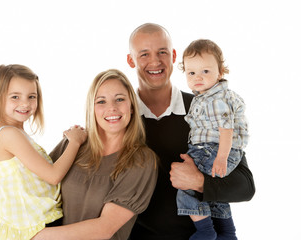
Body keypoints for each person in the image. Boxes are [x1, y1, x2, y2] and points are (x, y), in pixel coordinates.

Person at [126, 23, 255, 240]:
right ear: (131, 60)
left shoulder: (202, 110)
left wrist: (200, 182)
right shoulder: (121, 118)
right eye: (144, 54)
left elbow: (245, 186)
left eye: (162, 52)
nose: (155, 61)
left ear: (175, 56)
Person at [32, 69, 158, 240]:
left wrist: (32, 236)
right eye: (101, 101)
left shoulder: (141, 161)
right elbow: (35, 188)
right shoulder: (72, 144)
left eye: (120, 99)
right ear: (92, 108)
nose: (112, 108)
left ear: (132, 107)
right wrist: (15, 222)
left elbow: (103, 229)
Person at [0, 64, 87, 240]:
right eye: (15, 97)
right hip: (36, 226)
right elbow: (53, 176)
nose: (25, 103)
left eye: (31, 96)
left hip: (37, 222)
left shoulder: (17, 133)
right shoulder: (9, 134)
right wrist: (75, 141)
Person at [175, 39, 249, 240]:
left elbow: (226, 129)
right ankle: (226, 233)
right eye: (191, 73)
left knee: (187, 188)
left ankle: (205, 232)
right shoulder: (208, 96)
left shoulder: (215, 99)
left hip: (214, 149)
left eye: (205, 71)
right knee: (215, 196)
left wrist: (221, 157)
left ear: (220, 72)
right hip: (217, 149)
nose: (198, 77)